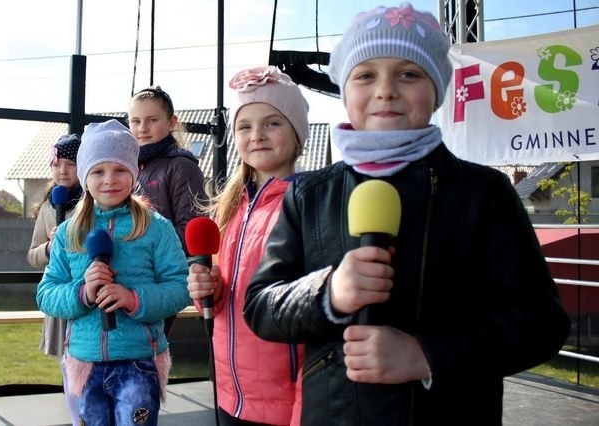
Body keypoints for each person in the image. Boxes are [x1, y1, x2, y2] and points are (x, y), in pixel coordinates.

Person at [243, 4, 571, 425]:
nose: (385, 90)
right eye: (365, 75)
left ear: (436, 90)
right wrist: (328, 291)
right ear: (345, 91)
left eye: (409, 73)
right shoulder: (308, 194)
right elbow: (261, 306)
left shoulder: (485, 193)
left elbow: (541, 323)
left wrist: (427, 355)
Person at [36, 119, 192, 425]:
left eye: (120, 169)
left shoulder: (156, 227)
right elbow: (46, 294)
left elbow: (180, 287)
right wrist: (82, 292)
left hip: (139, 362)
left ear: (133, 173)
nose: (110, 180)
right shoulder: (69, 231)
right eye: (98, 171)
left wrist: (135, 299)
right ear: (85, 176)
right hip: (84, 363)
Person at [186, 66, 309, 425]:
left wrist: (305, 409)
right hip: (229, 397)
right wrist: (207, 290)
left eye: (272, 122)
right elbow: (228, 299)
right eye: (245, 126)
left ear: (297, 132)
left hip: (285, 406)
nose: (257, 135)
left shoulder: (308, 205)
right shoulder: (230, 209)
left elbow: (316, 318)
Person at [127, 85, 206, 342]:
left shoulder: (182, 167)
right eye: (135, 121)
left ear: (172, 122)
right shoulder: (128, 167)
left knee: (146, 353)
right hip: (129, 273)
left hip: (160, 279)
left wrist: (145, 252)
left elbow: (190, 230)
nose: (142, 128)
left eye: (152, 120)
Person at [27, 133, 82, 426]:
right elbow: (33, 254)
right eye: (57, 164)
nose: (62, 171)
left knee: (90, 364)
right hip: (60, 297)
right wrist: (50, 247)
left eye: (70, 164)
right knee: (67, 367)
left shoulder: (94, 199)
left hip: (88, 296)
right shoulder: (49, 205)